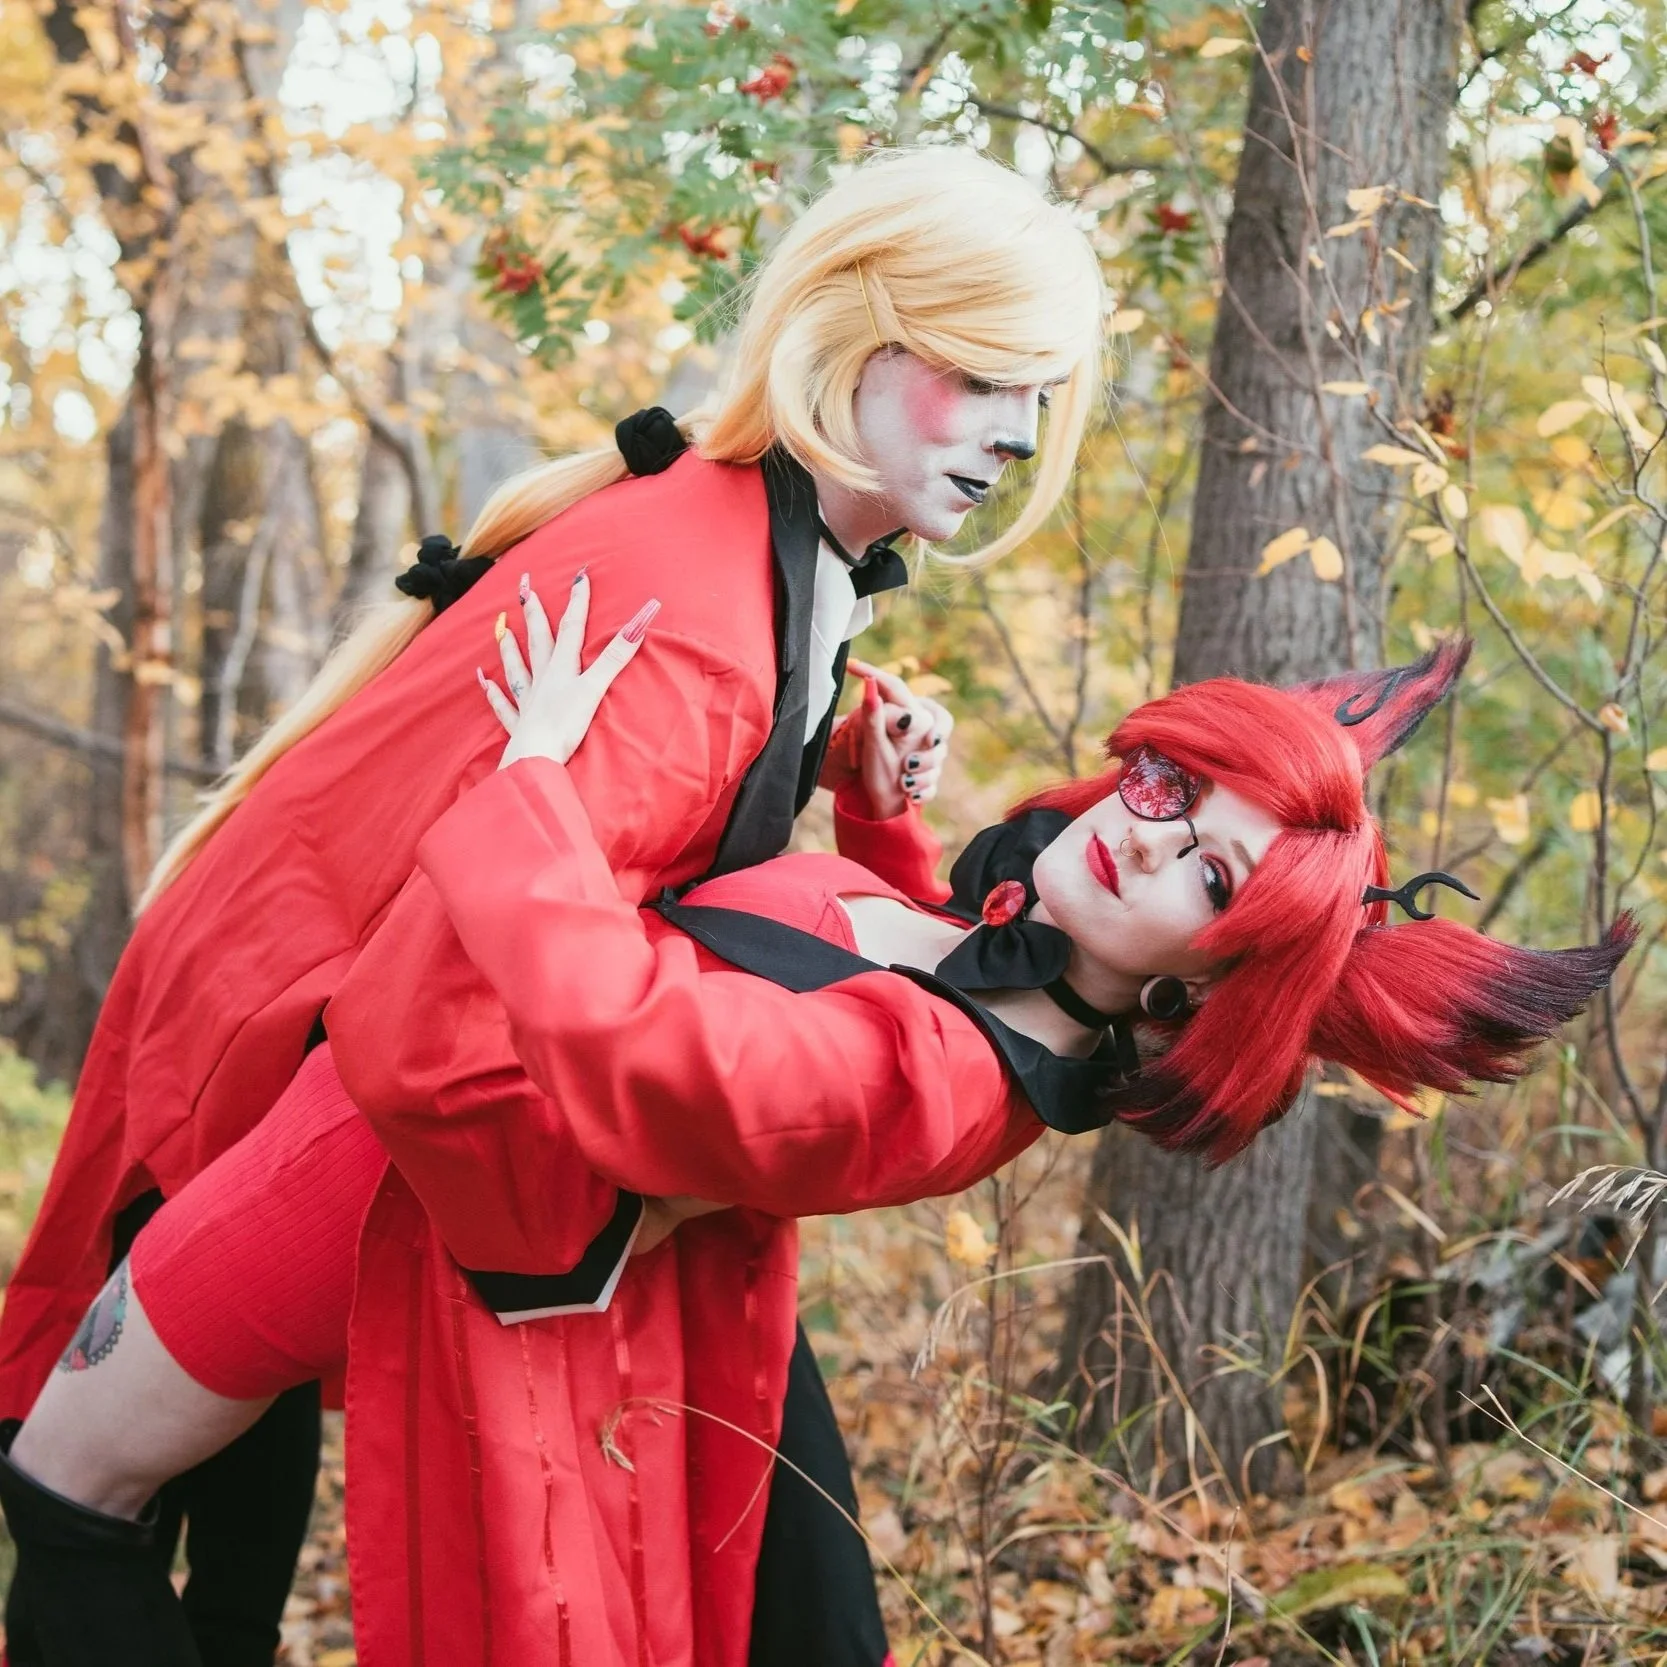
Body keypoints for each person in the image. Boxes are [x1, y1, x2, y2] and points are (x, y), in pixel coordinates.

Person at [0, 583, 1631, 1667]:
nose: (1149, 846)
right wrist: (878, 804)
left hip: (363, 1175)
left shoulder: (936, 1085)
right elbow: (873, 944)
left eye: (1208, 879)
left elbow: (633, 1035)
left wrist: (541, 773)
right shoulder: (995, 959)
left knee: (68, 1490)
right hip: (402, 1139)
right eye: (1169, 797)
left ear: (1197, 996)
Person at [0, 147, 1107, 1667]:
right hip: (361, 1131)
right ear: (851, 329)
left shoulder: (765, 558)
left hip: (429, 1132)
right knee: (79, 1505)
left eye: (1036, 392)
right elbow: (443, 1022)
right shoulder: (704, 624)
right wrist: (573, 1264)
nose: (1014, 433)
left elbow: (700, 904)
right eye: (983, 374)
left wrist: (851, 787)